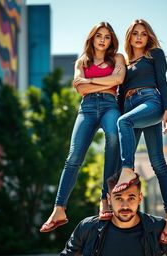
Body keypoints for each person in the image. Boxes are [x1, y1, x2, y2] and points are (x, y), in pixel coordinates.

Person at [40, 22, 126, 232]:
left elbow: (119, 78)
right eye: (99, 36)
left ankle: (105, 200)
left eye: (107, 36)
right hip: (86, 108)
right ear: (92, 38)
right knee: (73, 157)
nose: (103, 40)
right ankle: (59, 209)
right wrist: (107, 81)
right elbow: (79, 86)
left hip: (109, 105)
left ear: (111, 40)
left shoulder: (118, 58)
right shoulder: (82, 61)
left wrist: (91, 81)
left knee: (114, 136)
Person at [113, 19, 167, 244]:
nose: (139, 37)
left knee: (125, 124)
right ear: (129, 37)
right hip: (130, 106)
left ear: (148, 37)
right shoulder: (125, 64)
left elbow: (163, 82)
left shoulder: (154, 55)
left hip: (150, 101)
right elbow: (120, 95)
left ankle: (128, 171)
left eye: (143, 33)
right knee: (158, 162)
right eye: (135, 34)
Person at [60, 171, 167, 256]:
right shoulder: (88, 228)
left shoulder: (158, 228)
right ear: (109, 199)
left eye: (131, 198)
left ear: (140, 198)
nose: (125, 206)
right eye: (118, 198)